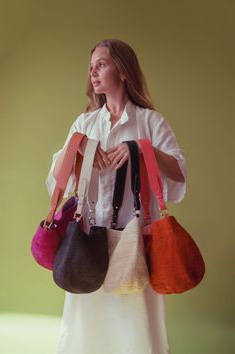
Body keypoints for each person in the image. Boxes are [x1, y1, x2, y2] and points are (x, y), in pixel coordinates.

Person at [46, 39, 187, 354]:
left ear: (123, 70)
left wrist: (141, 148)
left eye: (101, 64)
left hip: (136, 244)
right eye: (91, 67)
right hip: (89, 243)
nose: (93, 74)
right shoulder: (85, 124)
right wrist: (78, 146)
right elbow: (57, 181)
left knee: (135, 328)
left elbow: (178, 173)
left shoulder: (150, 121)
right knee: (88, 329)